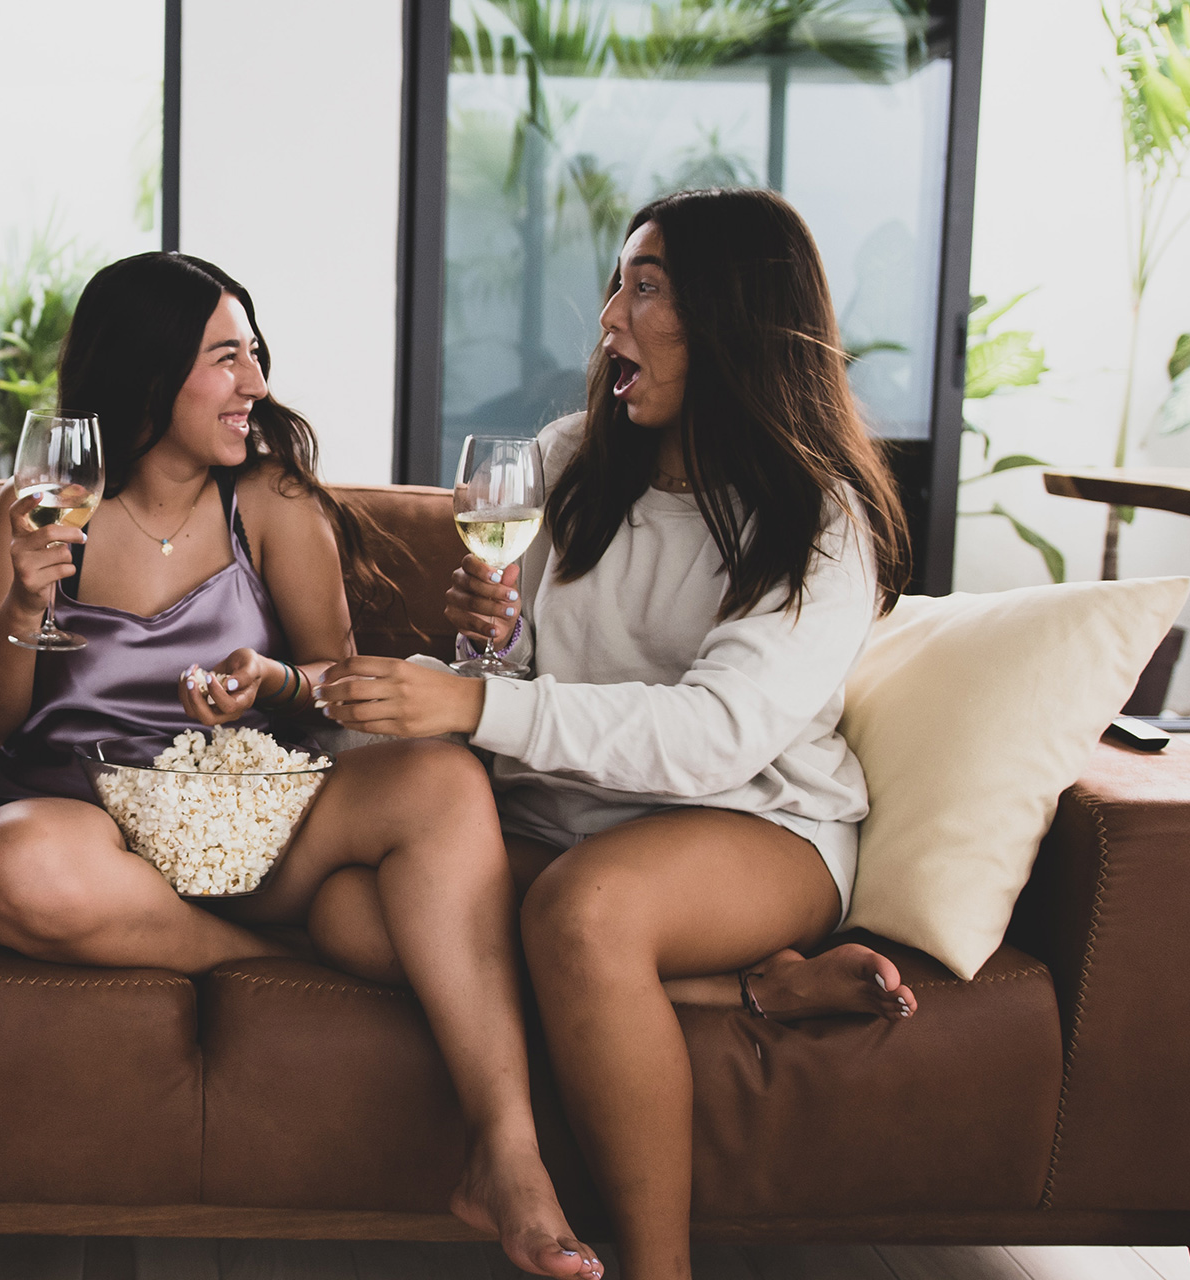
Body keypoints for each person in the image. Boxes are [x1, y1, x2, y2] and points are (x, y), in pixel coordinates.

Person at [313, 187, 920, 1280]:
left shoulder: (815, 518)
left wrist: (477, 705)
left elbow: (716, 735)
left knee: (588, 914)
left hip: (751, 819)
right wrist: (495, 645)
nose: (608, 319)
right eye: (616, 284)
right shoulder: (570, 462)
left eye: (646, 289)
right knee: (359, 912)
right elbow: (531, 679)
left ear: (731, 317)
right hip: (571, 816)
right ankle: (753, 985)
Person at [0, 251, 599, 1280]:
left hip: (246, 812)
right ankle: (264, 951)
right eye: (225, 358)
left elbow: (335, 678)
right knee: (8, 860)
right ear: (149, 369)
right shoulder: (41, 506)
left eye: (254, 354)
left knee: (441, 780)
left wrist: (271, 680)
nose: (255, 383)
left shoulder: (269, 498)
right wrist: (26, 606)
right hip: (88, 821)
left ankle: (509, 1156)